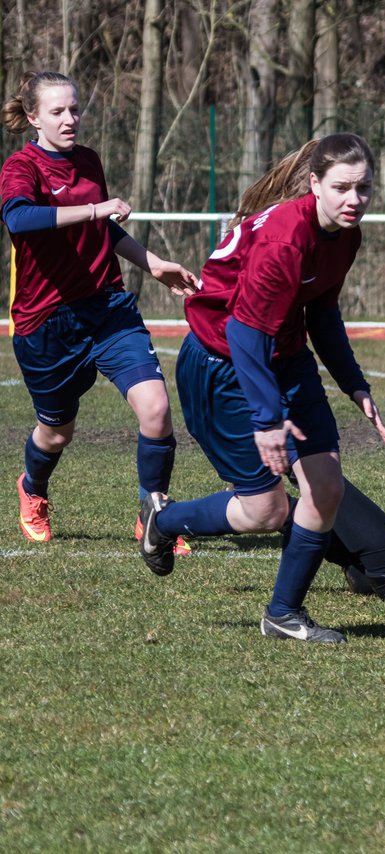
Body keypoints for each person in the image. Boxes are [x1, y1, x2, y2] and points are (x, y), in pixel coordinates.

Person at [138, 132, 385, 644]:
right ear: (314, 184)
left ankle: (283, 613)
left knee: (327, 488)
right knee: (266, 510)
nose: (354, 200)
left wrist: (353, 384)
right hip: (223, 365)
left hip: (284, 357)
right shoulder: (283, 238)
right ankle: (164, 522)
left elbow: (320, 308)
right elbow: (243, 331)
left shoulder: (346, 235)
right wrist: (266, 419)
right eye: (342, 187)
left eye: (363, 188)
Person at [0, 70, 200, 545]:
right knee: (57, 433)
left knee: (155, 410)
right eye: (57, 112)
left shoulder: (88, 160)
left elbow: (104, 230)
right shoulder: (20, 168)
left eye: (75, 109)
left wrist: (153, 263)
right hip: (47, 322)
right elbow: (20, 218)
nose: (70, 119)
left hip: (108, 308)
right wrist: (96, 209)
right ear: (33, 118)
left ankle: (154, 517)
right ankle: (32, 488)